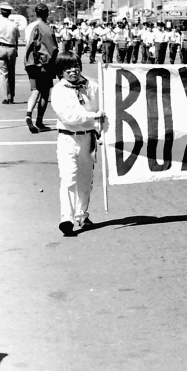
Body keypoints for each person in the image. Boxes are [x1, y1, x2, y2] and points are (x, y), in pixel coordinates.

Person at [52, 51, 105, 237]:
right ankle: (66, 218)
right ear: (60, 71)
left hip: (88, 138)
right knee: (68, 178)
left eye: (75, 66)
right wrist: (93, 116)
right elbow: (70, 117)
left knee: (85, 179)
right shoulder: (58, 90)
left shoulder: (93, 87)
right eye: (67, 68)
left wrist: (101, 130)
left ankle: (81, 214)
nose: (72, 71)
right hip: (67, 138)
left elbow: (102, 111)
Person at [23, 3, 58, 133]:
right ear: (47, 14)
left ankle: (28, 114)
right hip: (44, 65)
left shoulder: (29, 27)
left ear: (35, 13)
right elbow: (53, 48)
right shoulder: (47, 29)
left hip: (31, 63)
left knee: (34, 91)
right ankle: (39, 121)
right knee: (44, 93)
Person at [0, 3, 20, 104]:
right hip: (11, 48)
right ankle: (11, 96)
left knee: (4, 74)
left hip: (1, 48)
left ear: (1, 12)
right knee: (12, 72)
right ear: (10, 13)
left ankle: (6, 96)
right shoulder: (14, 25)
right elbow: (17, 39)